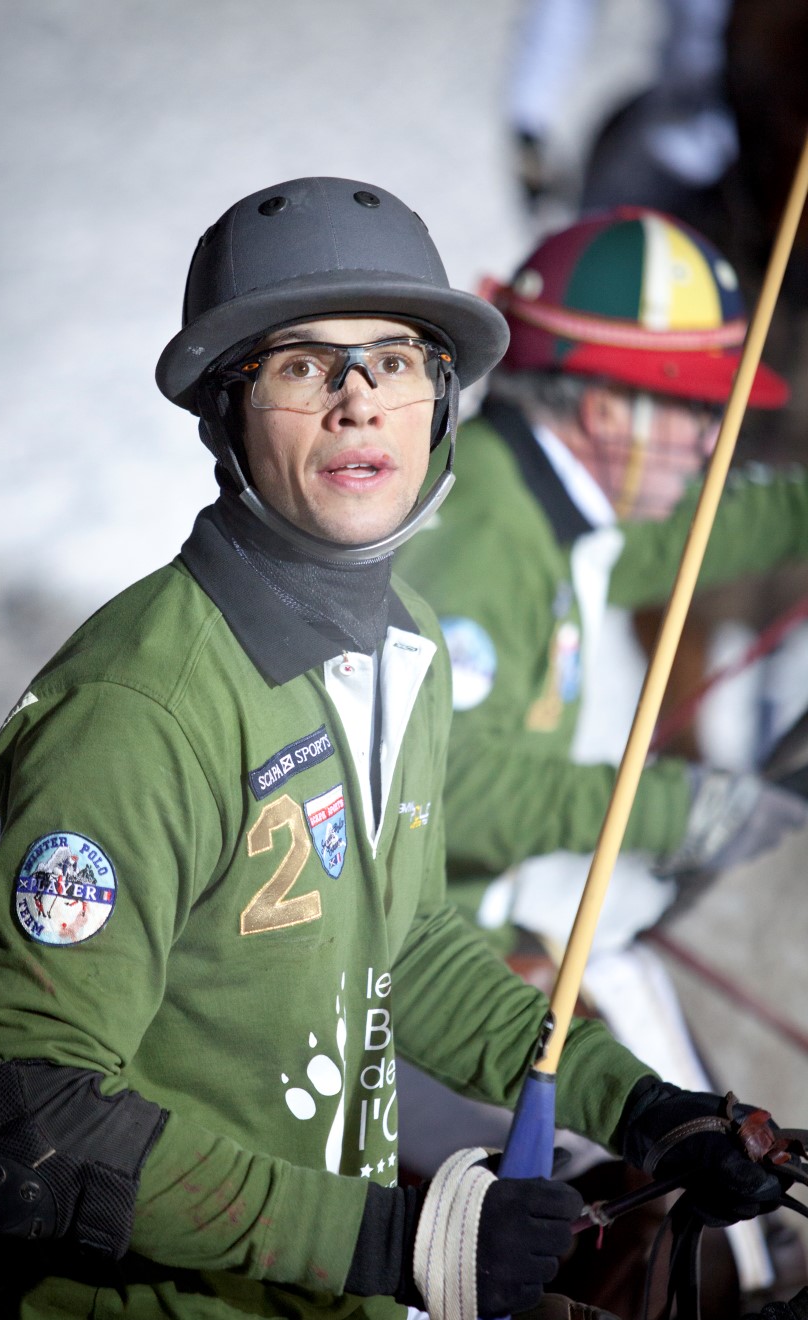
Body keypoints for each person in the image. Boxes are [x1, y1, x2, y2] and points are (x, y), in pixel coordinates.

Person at [0, 179, 790, 1320]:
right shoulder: (142, 705)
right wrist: (396, 1238)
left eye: (394, 363)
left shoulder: (406, 647)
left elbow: (410, 948)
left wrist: (641, 1108)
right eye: (301, 365)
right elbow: (33, 1122)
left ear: (438, 404)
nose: (356, 404)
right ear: (224, 411)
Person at [393, 206, 808, 1297]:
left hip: (475, 940)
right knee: (624, 1202)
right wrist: (686, 811)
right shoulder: (485, 532)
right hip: (389, 986)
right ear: (601, 405)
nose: (710, 442)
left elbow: (695, 530)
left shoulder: (556, 501)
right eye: (687, 412)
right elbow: (442, 784)